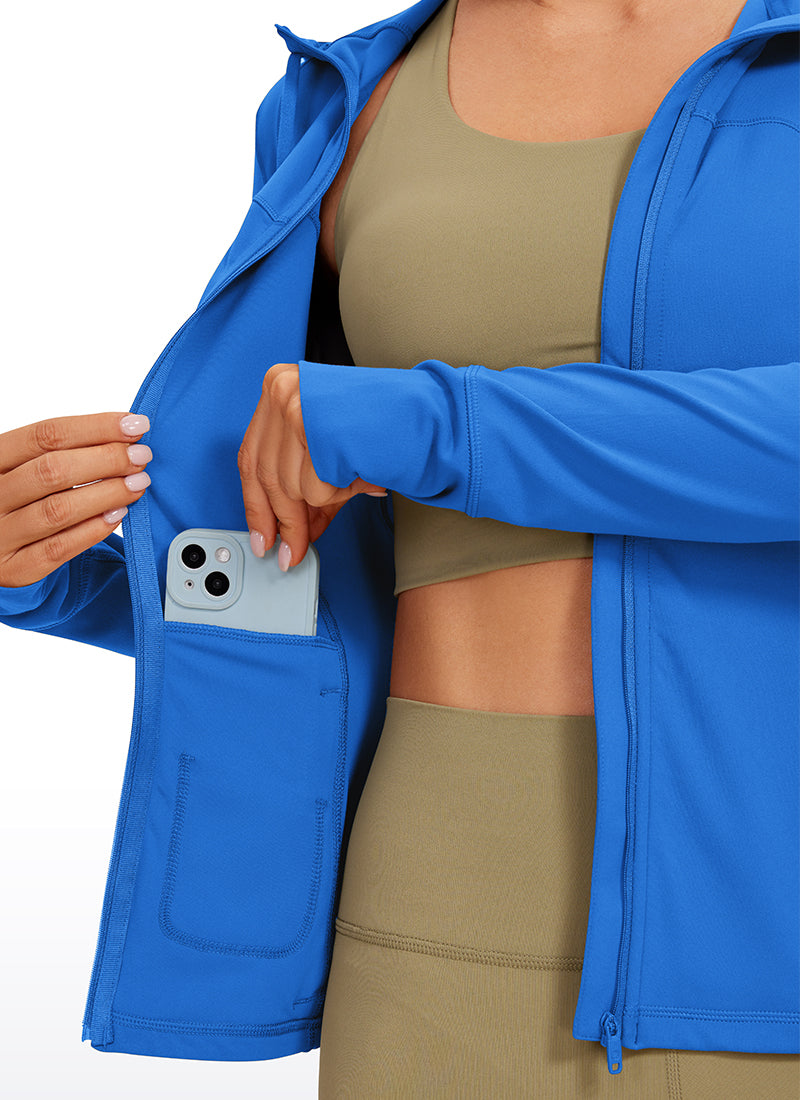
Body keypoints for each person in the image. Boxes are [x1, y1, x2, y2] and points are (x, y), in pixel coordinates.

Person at [0, 0, 797, 1096]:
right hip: (428, 909)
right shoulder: (349, 102)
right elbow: (316, 561)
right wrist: (72, 581)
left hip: (765, 916)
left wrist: (441, 423)